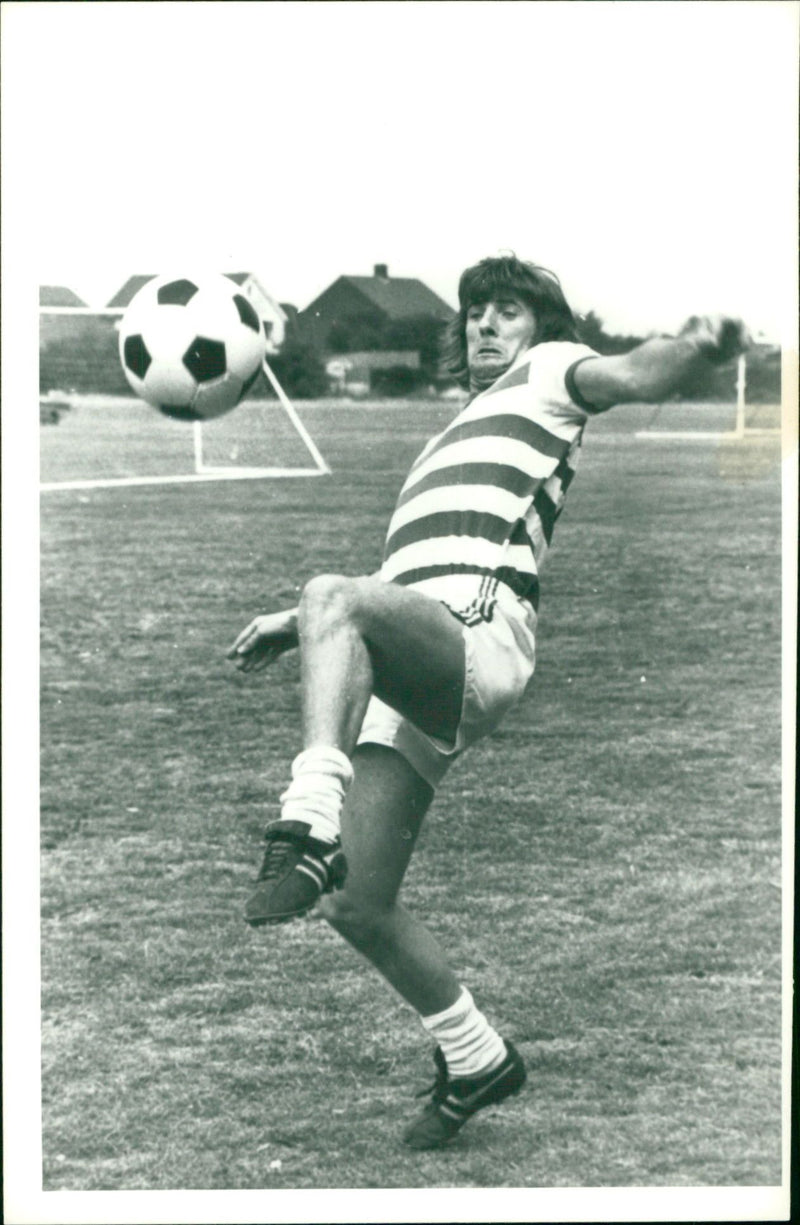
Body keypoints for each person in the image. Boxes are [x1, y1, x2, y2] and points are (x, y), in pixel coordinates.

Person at [227, 255, 747, 1150]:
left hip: (478, 636)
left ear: (541, 327)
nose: (482, 325)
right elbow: (402, 575)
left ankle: (305, 819)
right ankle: (476, 1058)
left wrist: (694, 344)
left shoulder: (551, 372)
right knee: (358, 902)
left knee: (332, 593)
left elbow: (629, 374)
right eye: (474, 312)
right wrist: (296, 618)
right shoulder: (451, 435)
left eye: (505, 311)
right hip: (422, 651)